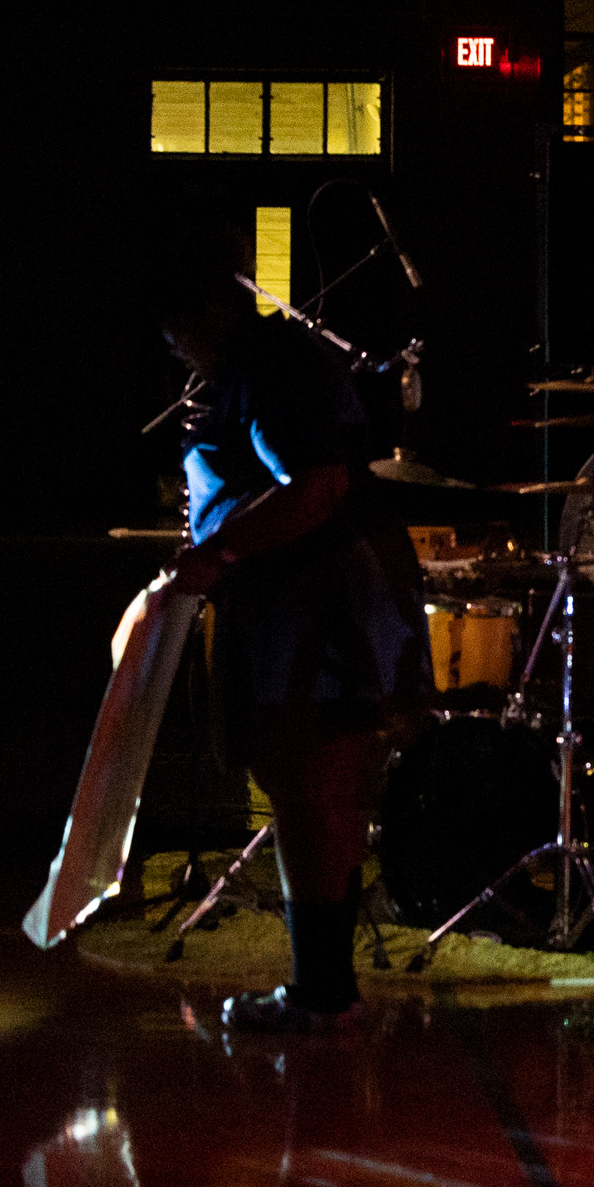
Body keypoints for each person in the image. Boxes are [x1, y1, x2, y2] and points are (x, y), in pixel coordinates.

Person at [156, 251, 428, 1034]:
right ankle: (325, 986)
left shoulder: (274, 366)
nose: (172, 343)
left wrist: (219, 552)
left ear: (213, 310)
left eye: (178, 326)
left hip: (314, 614)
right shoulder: (255, 367)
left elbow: (316, 484)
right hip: (302, 607)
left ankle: (321, 992)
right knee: (312, 794)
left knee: (310, 791)